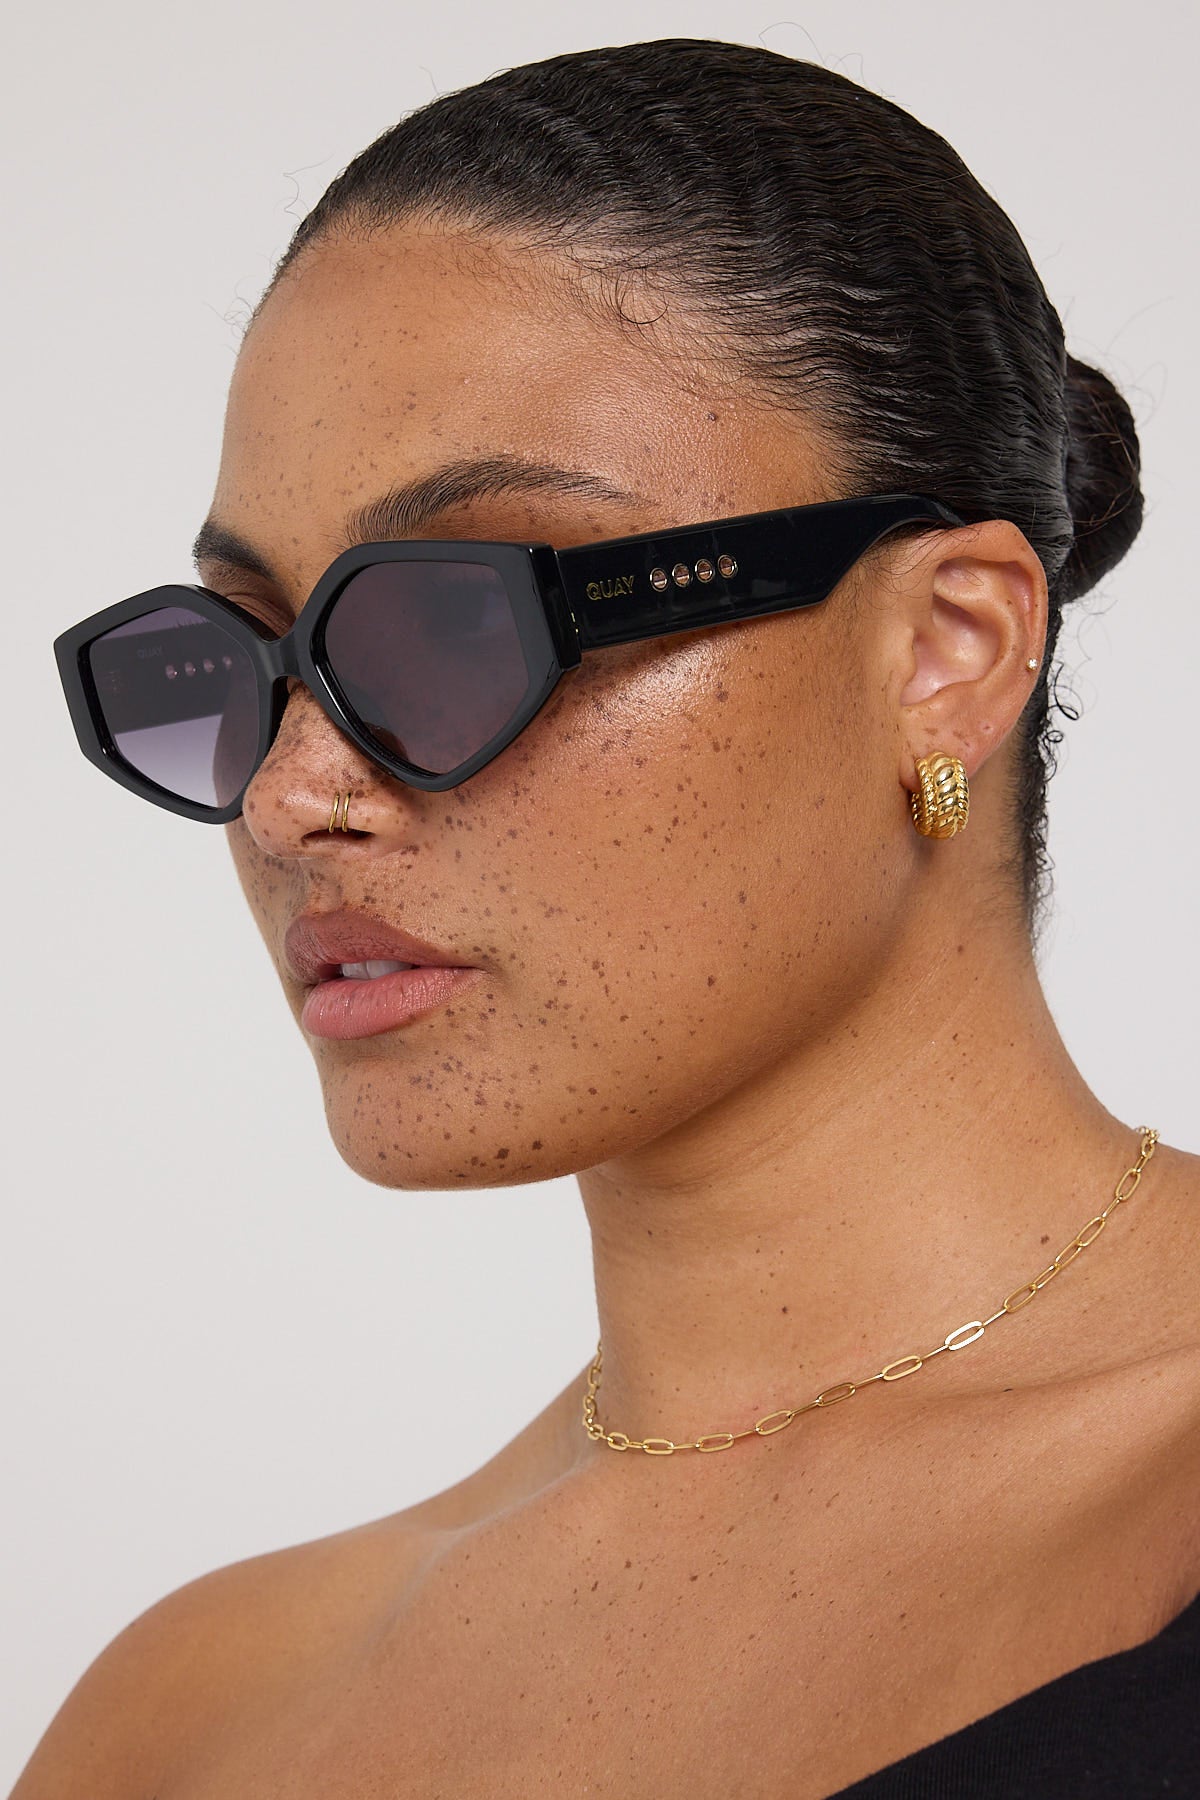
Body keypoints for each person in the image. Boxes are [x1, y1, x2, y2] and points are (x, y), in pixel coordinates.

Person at [25, 36, 1198, 1799]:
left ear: (946, 650)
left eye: (457, 622)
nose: (290, 795)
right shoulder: (188, 1727)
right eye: (243, 657)